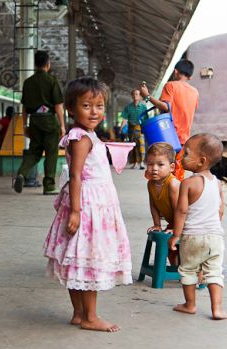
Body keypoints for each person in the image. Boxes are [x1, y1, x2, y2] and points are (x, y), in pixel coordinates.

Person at [44, 77, 133, 332]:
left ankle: (79, 314)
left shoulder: (86, 135)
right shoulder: (81, 137)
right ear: (71, 108)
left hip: (92, 202)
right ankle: (90, 318)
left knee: (78, 260)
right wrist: (75, 210)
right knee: (90, 259)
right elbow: (75, 175)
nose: (94, 112)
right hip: (88, 206)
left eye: (99, 106)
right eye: (86, 106)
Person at [168, 133, 227, 320]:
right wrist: (214, 229)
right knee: (214, 272)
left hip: (192, 237)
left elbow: (181, 212)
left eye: (186, 154)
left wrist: (176, 235)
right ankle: (217, 309)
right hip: (215, 237)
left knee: (188, 271)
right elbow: (220, 210)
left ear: (201, 161)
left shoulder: (188, 183)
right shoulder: (217, 183)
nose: (181, 157)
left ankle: (190, 304)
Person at [14, 50, 66, 195]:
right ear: (48, 64)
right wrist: (62, 125)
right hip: (49, 120)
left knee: (33, 152)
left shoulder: (28, 82)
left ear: (35, 64)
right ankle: (49, 186)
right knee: (51, 153)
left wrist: (25, 126)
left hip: (34, 121)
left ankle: (21, 174)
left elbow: (24, 107)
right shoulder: (52, 81)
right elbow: (58, 105)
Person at [140, 59, 199, 180]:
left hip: (167, 137)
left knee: (163, 176)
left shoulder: (170, 86)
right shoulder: (195, 92)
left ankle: (167, 198)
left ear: (176, 72)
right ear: (190, 76)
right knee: (177, 174)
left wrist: (147, 96)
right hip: (183, 139)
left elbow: (166, 107)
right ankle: (177, 197)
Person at [121, 89, 148, 169]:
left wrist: (146, 129)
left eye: (137, 94)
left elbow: (146, 119)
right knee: (133, 146)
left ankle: (142, 162)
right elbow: (125, 119)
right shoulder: (128, 107)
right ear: (132, 96)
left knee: (141, 145)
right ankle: (135, 162)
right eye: (134, 94)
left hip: (140, 129)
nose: (136, 95)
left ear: (140, 96)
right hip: (131, 129)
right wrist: (121, 127)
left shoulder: (143, 107)